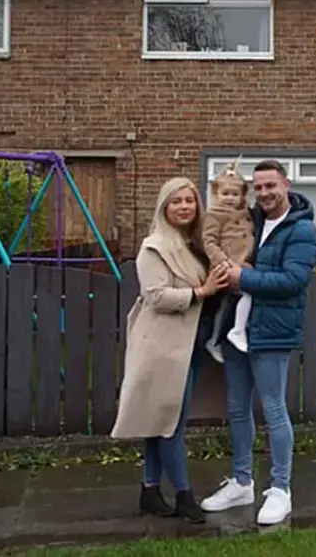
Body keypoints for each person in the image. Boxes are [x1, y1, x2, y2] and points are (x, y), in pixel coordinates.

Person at [200, 159, 316, 526]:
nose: (266, 193)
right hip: (238, 331)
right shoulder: (249, 220)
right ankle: (242, 482)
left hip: (272, 330)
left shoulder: (301, 229)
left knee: (273, 408)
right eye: (260, 187)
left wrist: (242, 279)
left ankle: (281, 489)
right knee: (237, 408)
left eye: (272, 185)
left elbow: (293, 280)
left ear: (286, 184)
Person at [111, 177, 230, 522]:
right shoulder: (155, 246)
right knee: (170, 423)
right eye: (176, 201)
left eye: (189, 201)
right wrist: (201, 292)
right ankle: (183, 495)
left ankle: (149, 489)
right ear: (164, 207)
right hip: (164, 347)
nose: (183, 207)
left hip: (191, 344)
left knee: (159, 420)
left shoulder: (194, 243)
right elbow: (156, 296)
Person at [201, 158, 255, 363]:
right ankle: (232, 333)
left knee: (230, 303)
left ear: (242, 196)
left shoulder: (246, 214)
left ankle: (221, 337)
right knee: (244, 294)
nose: (230, 198)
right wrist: (222, 262)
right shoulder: (214, 215)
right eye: (225, 194)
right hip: (225, 266)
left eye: (235, 194)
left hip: (242, 265)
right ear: (216, 194)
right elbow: (209, 241)